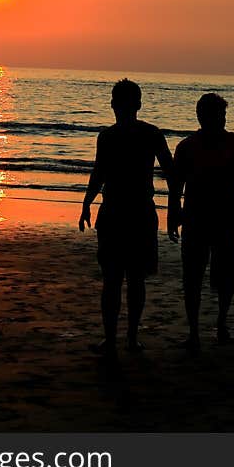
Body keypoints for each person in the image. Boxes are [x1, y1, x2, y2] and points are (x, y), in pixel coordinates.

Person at [79, 79, 173, 360]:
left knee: (115, 279)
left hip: (122, 212)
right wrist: (86, 203)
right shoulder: (148, 134)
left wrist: (86, 203)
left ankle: (116, 339)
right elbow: (171, 171)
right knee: (132, 279)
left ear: (114, 104)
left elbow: (99, 174)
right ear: (138, 104)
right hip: (135, 213)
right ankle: (129, 338)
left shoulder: (110, 136)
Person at [168, 93, 234, 354]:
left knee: (225, 278)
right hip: (195, 218)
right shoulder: (187, 146)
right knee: (192, 277)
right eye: (218, 115)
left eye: (223, 116)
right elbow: (176, 186)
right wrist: (173, 215)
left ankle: (221, 324)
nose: (221, 120)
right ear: (202, 117)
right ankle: (194, 332)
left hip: (226, 218)